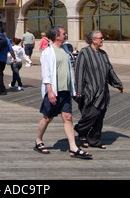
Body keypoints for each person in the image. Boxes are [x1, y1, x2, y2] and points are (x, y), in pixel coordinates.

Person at [34, 24, 92, 159]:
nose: (66, 35)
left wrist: (75, 88)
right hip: (53, 91)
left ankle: (73, 148)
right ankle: (38, 140)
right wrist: (50, 92)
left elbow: (69, 70)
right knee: (48, 118)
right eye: (63, 33)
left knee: (68, 118)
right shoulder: (47, 52)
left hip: (65, 91)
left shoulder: (66, 49)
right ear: (56, 36)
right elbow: (46, 75)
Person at [74, 30, 124, 149]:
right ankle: (81, 131)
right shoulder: (84, 53)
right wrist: (79, 90)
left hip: (103, 92)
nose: (103, 40)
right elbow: (78, 71)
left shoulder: (103, 54)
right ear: (93, 40)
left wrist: (118, 84)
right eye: (101, 38)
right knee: (91, 114)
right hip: (89, 91)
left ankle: (94, 139)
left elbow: (110, 70)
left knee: (100, 116)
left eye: (102, 38)